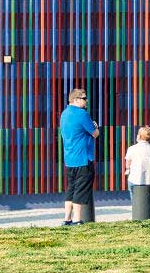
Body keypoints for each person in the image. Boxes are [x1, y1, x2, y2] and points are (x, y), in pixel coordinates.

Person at [59, 87, 99, 225]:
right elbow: (95, 134)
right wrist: (95, 126)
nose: (86, 101)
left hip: (70, 159)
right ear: (75, 100)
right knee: (80, 189)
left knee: (71, 188)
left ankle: (67, 219)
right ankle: (77, 220)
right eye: (84, 98)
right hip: (83, 158)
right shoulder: (82, 114)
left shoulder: (64, 114)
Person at [124, 125, 150, 207]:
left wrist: (128, 169)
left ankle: (135, 207)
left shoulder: (132, 148)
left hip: (135, 179)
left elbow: (128, 163)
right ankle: (147, 207)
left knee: (131, 190)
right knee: (148, 195)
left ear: (138, 136)